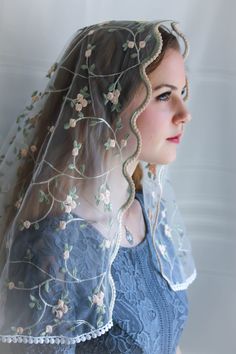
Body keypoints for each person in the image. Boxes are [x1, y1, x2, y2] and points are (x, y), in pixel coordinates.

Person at [0, 20, 196, 354]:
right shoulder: (55, 247)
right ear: (107, 102)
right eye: (163, 95)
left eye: (182, 93)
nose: (184, 114)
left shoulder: (148, 208)